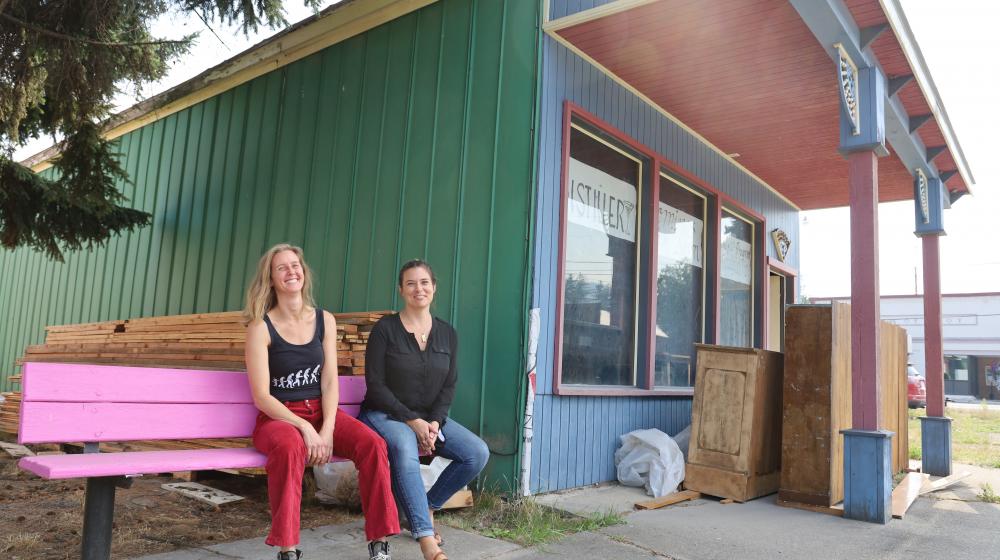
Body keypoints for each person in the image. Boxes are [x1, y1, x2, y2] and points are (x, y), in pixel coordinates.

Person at [244, 243, 400, 560]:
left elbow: (329, 380)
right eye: (282, 267)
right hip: (279, 419)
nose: (291, 271)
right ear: (271, 279)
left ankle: (380, 543)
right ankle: (288, 549)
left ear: (304, 272)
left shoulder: (324, 319)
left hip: (322, 413)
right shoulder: (261, 328)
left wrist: (326, 429)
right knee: (290, 449)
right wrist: (305, 428)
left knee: (374, 445)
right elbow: (262, 396)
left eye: (295, 265)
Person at [361, 259, 491, 560]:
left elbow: (449, 385)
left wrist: (433, 421)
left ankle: (428, 506)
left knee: (477, 452)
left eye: (424, 282)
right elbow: (375, 385)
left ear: (433, 287)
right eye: (410, 283)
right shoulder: (385, 330)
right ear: (401, 290)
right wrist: (413, 421)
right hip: (384, 415)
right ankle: (426, 540)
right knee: (405, 449)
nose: (418, 289)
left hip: (429, 419)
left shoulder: (448, 334)